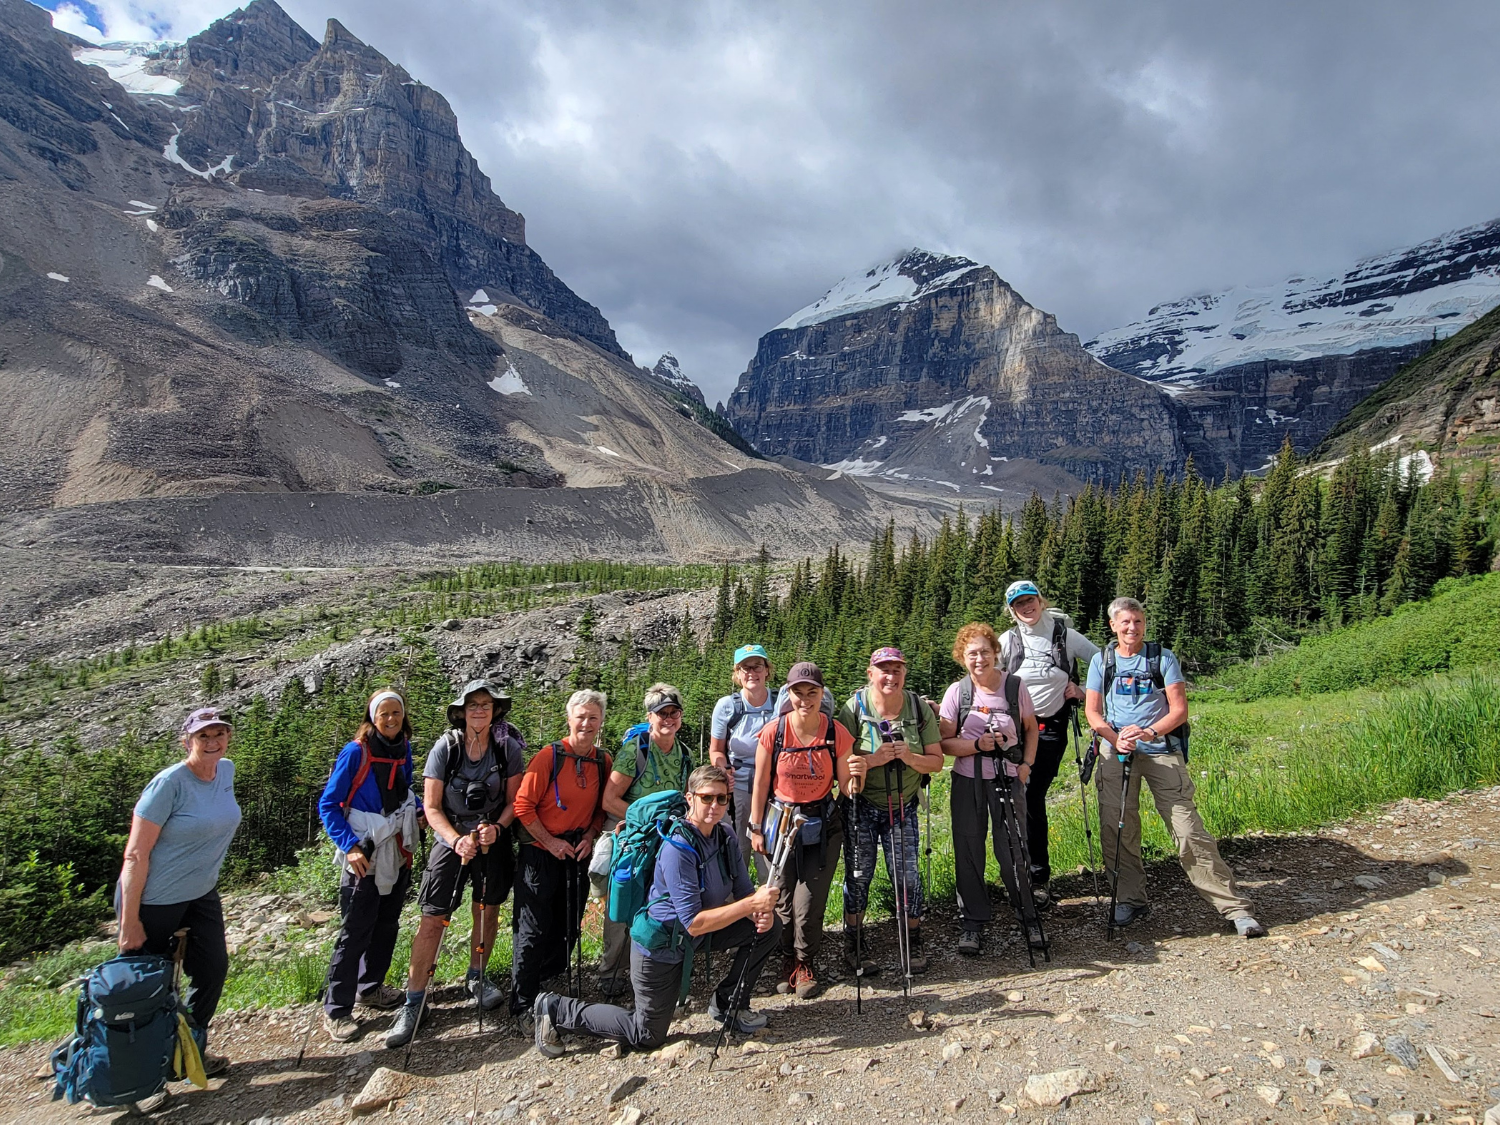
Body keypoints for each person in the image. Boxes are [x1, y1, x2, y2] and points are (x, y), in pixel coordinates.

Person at [533, 765, 781, 1057]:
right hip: (661, 945)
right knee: (646, 1034)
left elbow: (742, 892)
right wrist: (751, 905)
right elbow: (694, 923)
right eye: (706, 798)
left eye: (722, 799)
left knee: (769, 927)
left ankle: (730, 1003)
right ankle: (557, 1009)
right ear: (690, 798)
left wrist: (759, 910)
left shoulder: (724, 836)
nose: (715, 805)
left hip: (692, 936)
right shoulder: (677, 846)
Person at [1084, 597, 1266, 937]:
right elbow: (1092, 712)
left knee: (1187, 828)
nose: (1132, 628)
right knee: (1116, 826)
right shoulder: (1101, 661)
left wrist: (1150, 731)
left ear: (1144, 624)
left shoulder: (1162, 658)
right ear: (1113, 626)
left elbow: (1178, 709)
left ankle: (1235, 908)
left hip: (1161, 751)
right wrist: (1115, 737)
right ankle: (1129, 899)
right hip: (1115, 753)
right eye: (1124, 622)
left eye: (1137, 621)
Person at [385, 680, 524, 1048]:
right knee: (433, 919)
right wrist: (455, 839)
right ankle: (415, 1000)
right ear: (461, 711)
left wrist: (498, 827)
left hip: (490, 839)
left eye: (487, 705)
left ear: (495, 710)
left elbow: (514, 801)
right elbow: (430, 807)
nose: (480, 710)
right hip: (452, 840)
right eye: (473, 705)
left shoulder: (507, 747)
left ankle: (477, 976)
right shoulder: (445, 748)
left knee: (487, 911)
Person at [116, 707, 241, 1078]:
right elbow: (136, 853)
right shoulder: (168, 784)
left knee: (213, 969)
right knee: (147, 987)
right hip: (153, 898)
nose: (213, 741)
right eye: (203, 736)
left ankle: (186, 1053)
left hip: (200, 892)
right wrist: (130, 920)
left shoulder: (226, 771)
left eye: (219, 733)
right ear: (187, 740)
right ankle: (140, 1076)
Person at [318, 689, 423, 1042]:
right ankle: (336, 1010)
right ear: (372, 717)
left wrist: (422, 811)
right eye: (384, 714)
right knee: (355, 929)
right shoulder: (355, 752)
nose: (391, 719)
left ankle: (371, 987)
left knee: (387, 923)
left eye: (396, 713)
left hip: (394, 847)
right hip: (364, 850)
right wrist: (349, 847)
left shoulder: (403, 748)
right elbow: (329, 804)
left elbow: (404, 789)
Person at [748, 661, 855, 1000]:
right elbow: (761, 782)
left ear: (821, 694)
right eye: (798, 692)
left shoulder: (836, 732)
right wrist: (755, 826)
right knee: (779, 898)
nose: (805, 699)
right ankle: (785, 961)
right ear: (788, 693)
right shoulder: (774, 731)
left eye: (812, 692)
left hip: (822, 824)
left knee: (809, 901)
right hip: (779, 822)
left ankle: (804, 963)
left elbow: (847, 787)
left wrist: (857, 773)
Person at [837, 647, 944, 979]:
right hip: (862, 804)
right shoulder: (853, 710)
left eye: (896, 669)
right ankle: (853, 943)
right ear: (870, 674)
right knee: (859, 876)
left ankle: (912, 940)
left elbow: (937, 761)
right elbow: (843, 763)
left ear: (904, 673)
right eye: (883, 670)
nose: (890, 676)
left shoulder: (918, 708)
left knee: (908, 876)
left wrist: (909, 757)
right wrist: (874, 760)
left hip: (904, 804)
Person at [938, 623, 1044, 956]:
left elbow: (1031, 728)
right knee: (969, 850)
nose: (979, 658)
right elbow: (944, 743)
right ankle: (972, 921)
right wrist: (977, 745)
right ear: (962, 658)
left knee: (1013, 847)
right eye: (972, 654)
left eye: (985, 651)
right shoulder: (957, 692)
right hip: (968, 779)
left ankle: (1027, 914)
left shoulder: (1014, 687)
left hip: (1008, 777)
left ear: (995, 652)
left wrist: (1025, 766)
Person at [997, 581, 1101, 906]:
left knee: (1030, 795)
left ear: (1040, 601)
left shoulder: (1064, 635)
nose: (1025, 607)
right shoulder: (1006, 641)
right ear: (1011, 610)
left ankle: (1037, 877)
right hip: (1014, 729)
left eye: (1030, 601)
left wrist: (1083, 693)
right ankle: (1020, 873)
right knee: (1013, 799)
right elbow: (989, 678)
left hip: (1050, 727)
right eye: (1018, 604)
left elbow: (1101, 662)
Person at [511, 689, 613, 1018]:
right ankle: (523, 1001)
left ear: (601, 721)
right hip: (541, 853)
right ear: (569, 718)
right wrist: (551, 842)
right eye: (580, 716)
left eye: (592, 717)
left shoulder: (602, 760)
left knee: (568, 925)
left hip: (576, 853)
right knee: (533, 926)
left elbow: (602, 809)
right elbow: (523, 807)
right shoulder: (548, 756)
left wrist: (590, 835)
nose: (586, 723)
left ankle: (546, 980)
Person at [597, 683, 694, 999]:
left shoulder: (684, 754)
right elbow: (610, 800)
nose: (668, 718)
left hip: (665, 838)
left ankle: (655, 969)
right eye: (661, 713)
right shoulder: (636, 750)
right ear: (650, 717)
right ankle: (611, 971)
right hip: (634, 838)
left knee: (661, 903)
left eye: (673, 712)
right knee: (624, 902)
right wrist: (645, 819)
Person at [708, 645, 778, 883]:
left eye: (757, 666)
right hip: (738, 788)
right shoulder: (727, 706)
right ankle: (733, 911)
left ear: (767, 670)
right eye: (744, 668)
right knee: (736, 850)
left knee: (769, 853)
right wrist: (721, 769)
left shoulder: (782, 703)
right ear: (737, 674)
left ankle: (770, 909)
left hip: (776, 789)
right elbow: (716, 750)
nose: (751, 672)